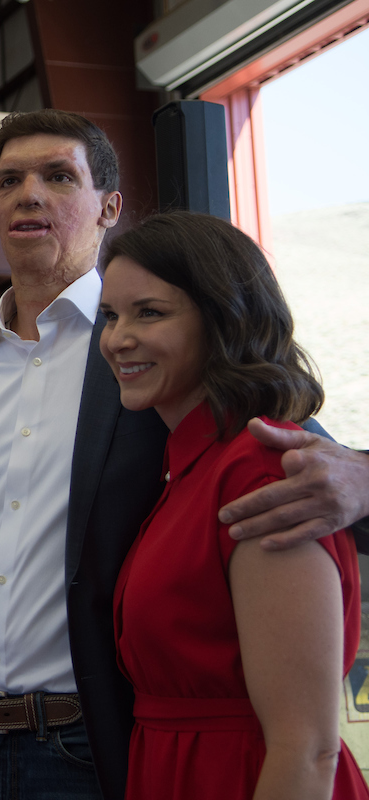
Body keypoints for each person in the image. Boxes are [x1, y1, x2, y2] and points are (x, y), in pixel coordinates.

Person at [0, 109, 369, 800]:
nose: (28, 193)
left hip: (95, 745)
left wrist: (365, 475)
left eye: (58, 176)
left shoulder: (156, 356)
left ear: (108, 208)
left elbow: (293, 457)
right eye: (9, 181)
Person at [98, 211, 368, 799]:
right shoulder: (189, 471)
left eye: (150, 312)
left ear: (223, 322)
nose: (118, 338)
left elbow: (308, 749)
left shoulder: (259, 470)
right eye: (111, 315)